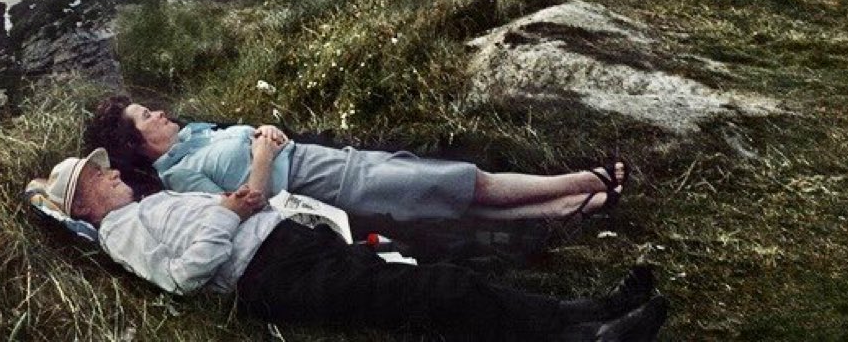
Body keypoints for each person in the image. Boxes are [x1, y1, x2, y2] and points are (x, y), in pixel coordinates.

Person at [37, 149, 668, 341]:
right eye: (100, 175)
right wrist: (229, 212)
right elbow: (185, 276)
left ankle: (586, 313)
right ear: (84, 203)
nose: (114, 172)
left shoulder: (141, 209)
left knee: (430, 274)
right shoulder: (121, 235)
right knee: (431, 288)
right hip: (271, 276)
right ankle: (581, 333)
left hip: (289, 249)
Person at [84, 97, 629, 224]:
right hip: (325, 185)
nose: (157, 111)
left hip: (331, 162)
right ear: (139, 143)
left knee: (450, 200)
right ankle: (582, 180)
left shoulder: (197, 132)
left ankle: (576, 205)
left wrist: (266, 133)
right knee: (464, 182)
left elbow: (260, 141)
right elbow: (240, 209)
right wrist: (263, 153)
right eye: (144, 116)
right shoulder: (178, 174)